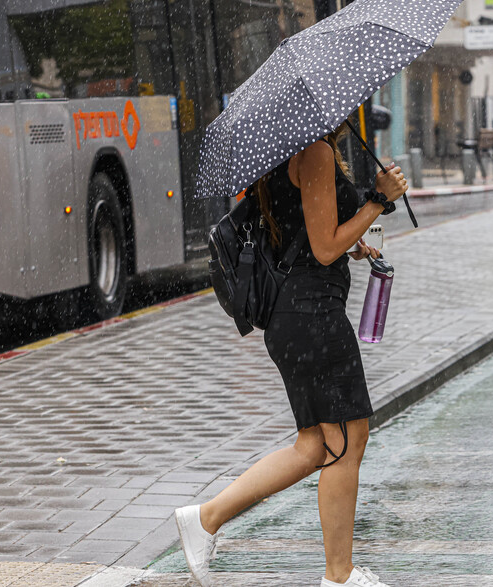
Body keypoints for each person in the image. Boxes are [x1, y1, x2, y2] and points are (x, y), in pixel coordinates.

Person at [174, 121, 408, 587]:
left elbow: (311, 236)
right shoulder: (316, 152)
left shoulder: (289, 152)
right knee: (347, 443)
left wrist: (354, 240)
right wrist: (378, 200)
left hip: (294, 318)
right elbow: (324, 249)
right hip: (313, 317)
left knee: (316, 446)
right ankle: (338, 576)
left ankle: (204, 518)